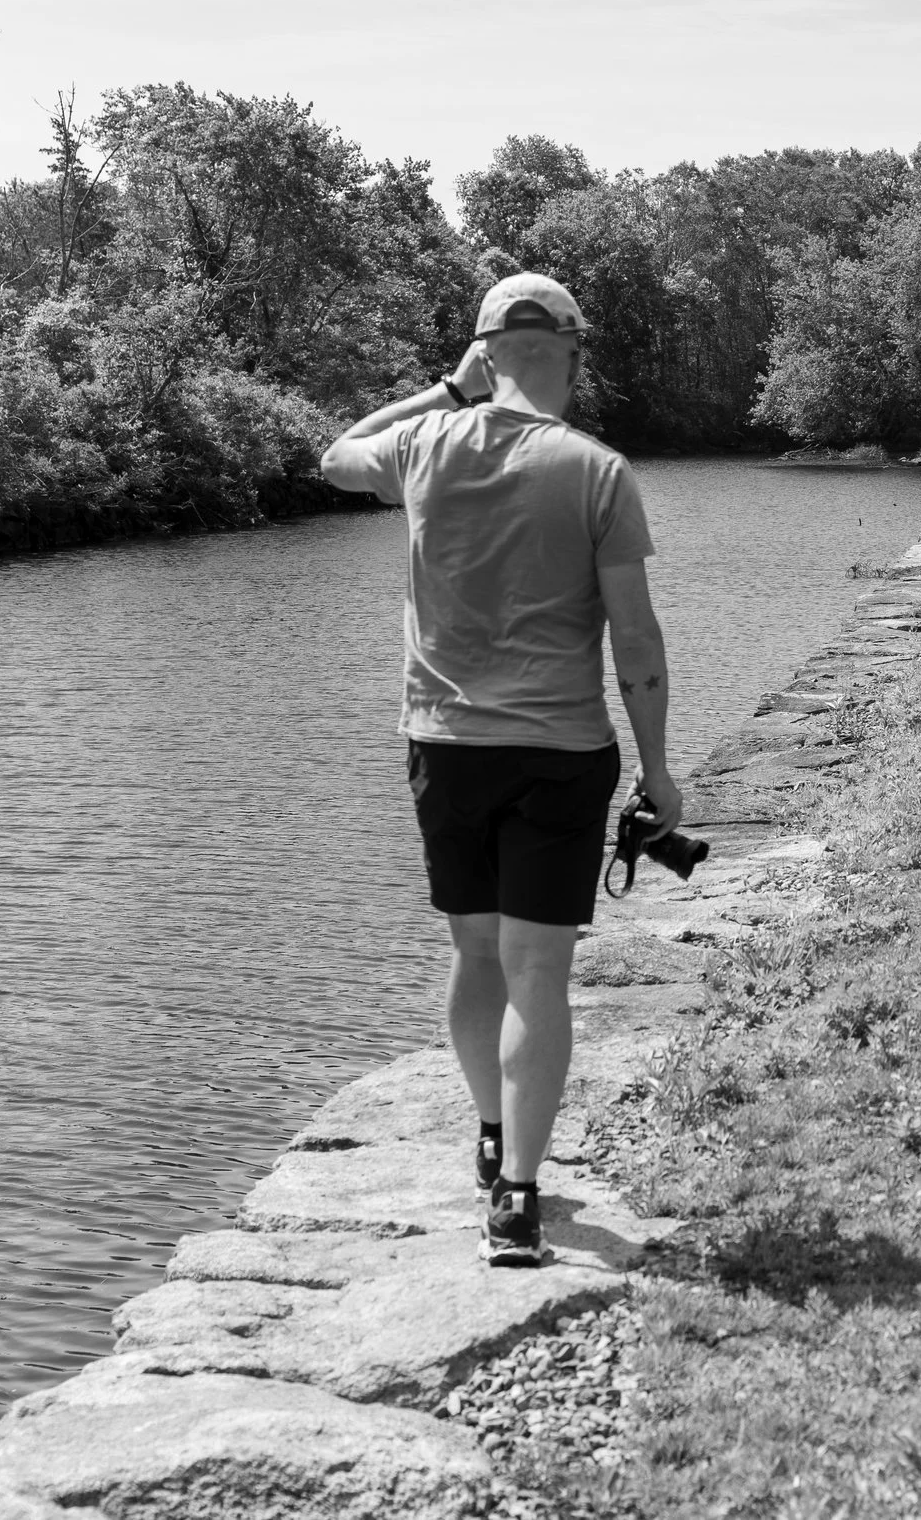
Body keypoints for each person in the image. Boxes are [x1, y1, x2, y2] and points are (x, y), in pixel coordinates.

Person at [320, 272, 681, 1267]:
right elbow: (637, 642)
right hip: (561, 752)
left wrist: (447, 388)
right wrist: (658, 771)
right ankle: (518, 1195)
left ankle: (488, 1129)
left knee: (475, 953)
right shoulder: (595, 469)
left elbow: (331, 453)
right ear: (571, 349)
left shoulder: (426, 446)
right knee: (538, 970)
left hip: (444, 746)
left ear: (487, 352)